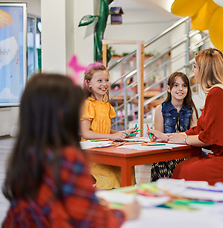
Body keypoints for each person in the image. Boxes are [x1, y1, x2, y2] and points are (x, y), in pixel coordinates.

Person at [2, 74, 140, 227]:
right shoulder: (66, 157)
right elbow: (92, 219)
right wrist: (125, 213)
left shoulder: (26, 154)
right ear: (63, 113)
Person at [149, 48, 223, 185]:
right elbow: (199, 130)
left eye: (195, 66)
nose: (193, 71)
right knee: (184, 167)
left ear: (205, 70)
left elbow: (211, 137)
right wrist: (168, 137)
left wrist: (184, 139)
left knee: (184, 169)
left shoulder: (217, 93)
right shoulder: (221, 91)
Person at [80, 63, 136, 189]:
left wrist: (123, 133)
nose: (104, 84)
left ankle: (123, 204)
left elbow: (104, 130)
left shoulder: (107, 106)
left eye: (106, 80)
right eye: (99, 80)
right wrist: (113, 137)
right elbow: (86, 133)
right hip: (92, 154)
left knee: (127, 170)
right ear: (88, 83)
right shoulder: (87, 105)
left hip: (106, 150)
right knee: (113, 177)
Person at [151, 72, 198, 181]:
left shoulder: (191, 109)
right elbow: (159, 138)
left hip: (187, 154)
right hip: (167, 155)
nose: (180, 89)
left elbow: (196, 133)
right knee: (160, 168)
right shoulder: (160, 109)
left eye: (184, 85)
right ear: (168, 88)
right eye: (176, 85)